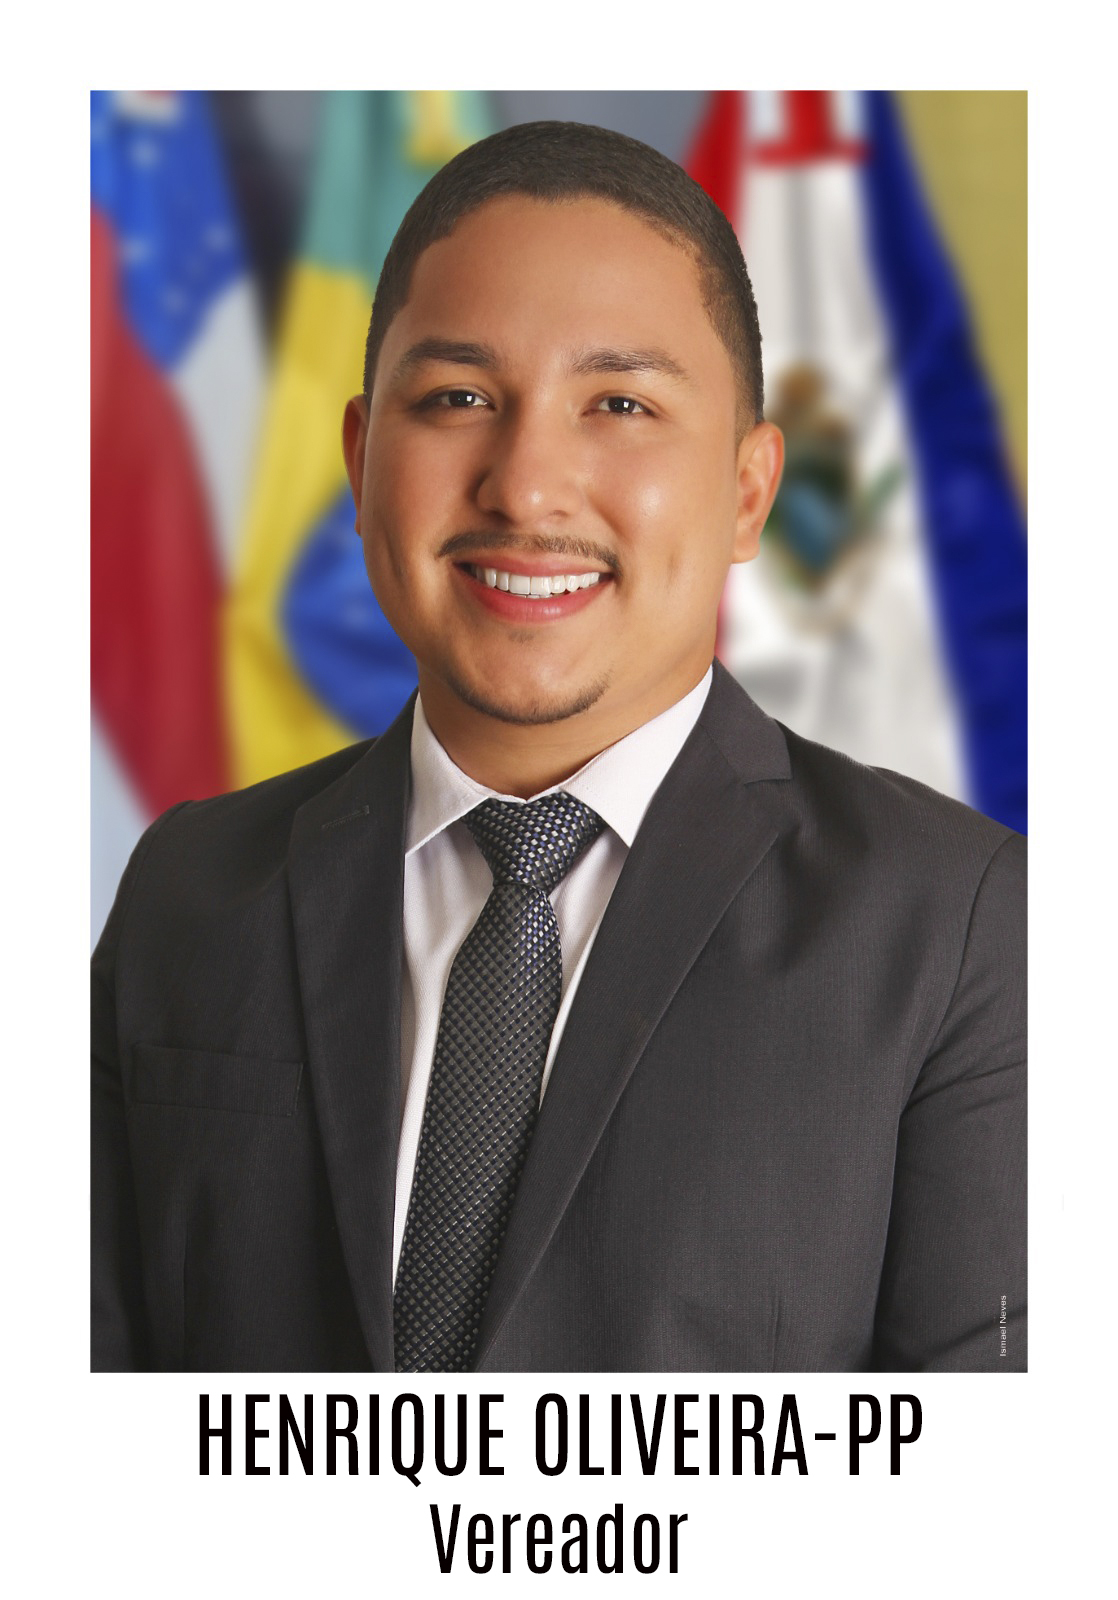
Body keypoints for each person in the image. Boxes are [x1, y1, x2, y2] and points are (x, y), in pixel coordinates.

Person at [91, 121, 1026, 1374]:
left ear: (748, 492)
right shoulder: (187, 890)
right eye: (458, 399)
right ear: (360, 462)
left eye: (620, 404)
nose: (526, 487)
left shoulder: (959, 926)